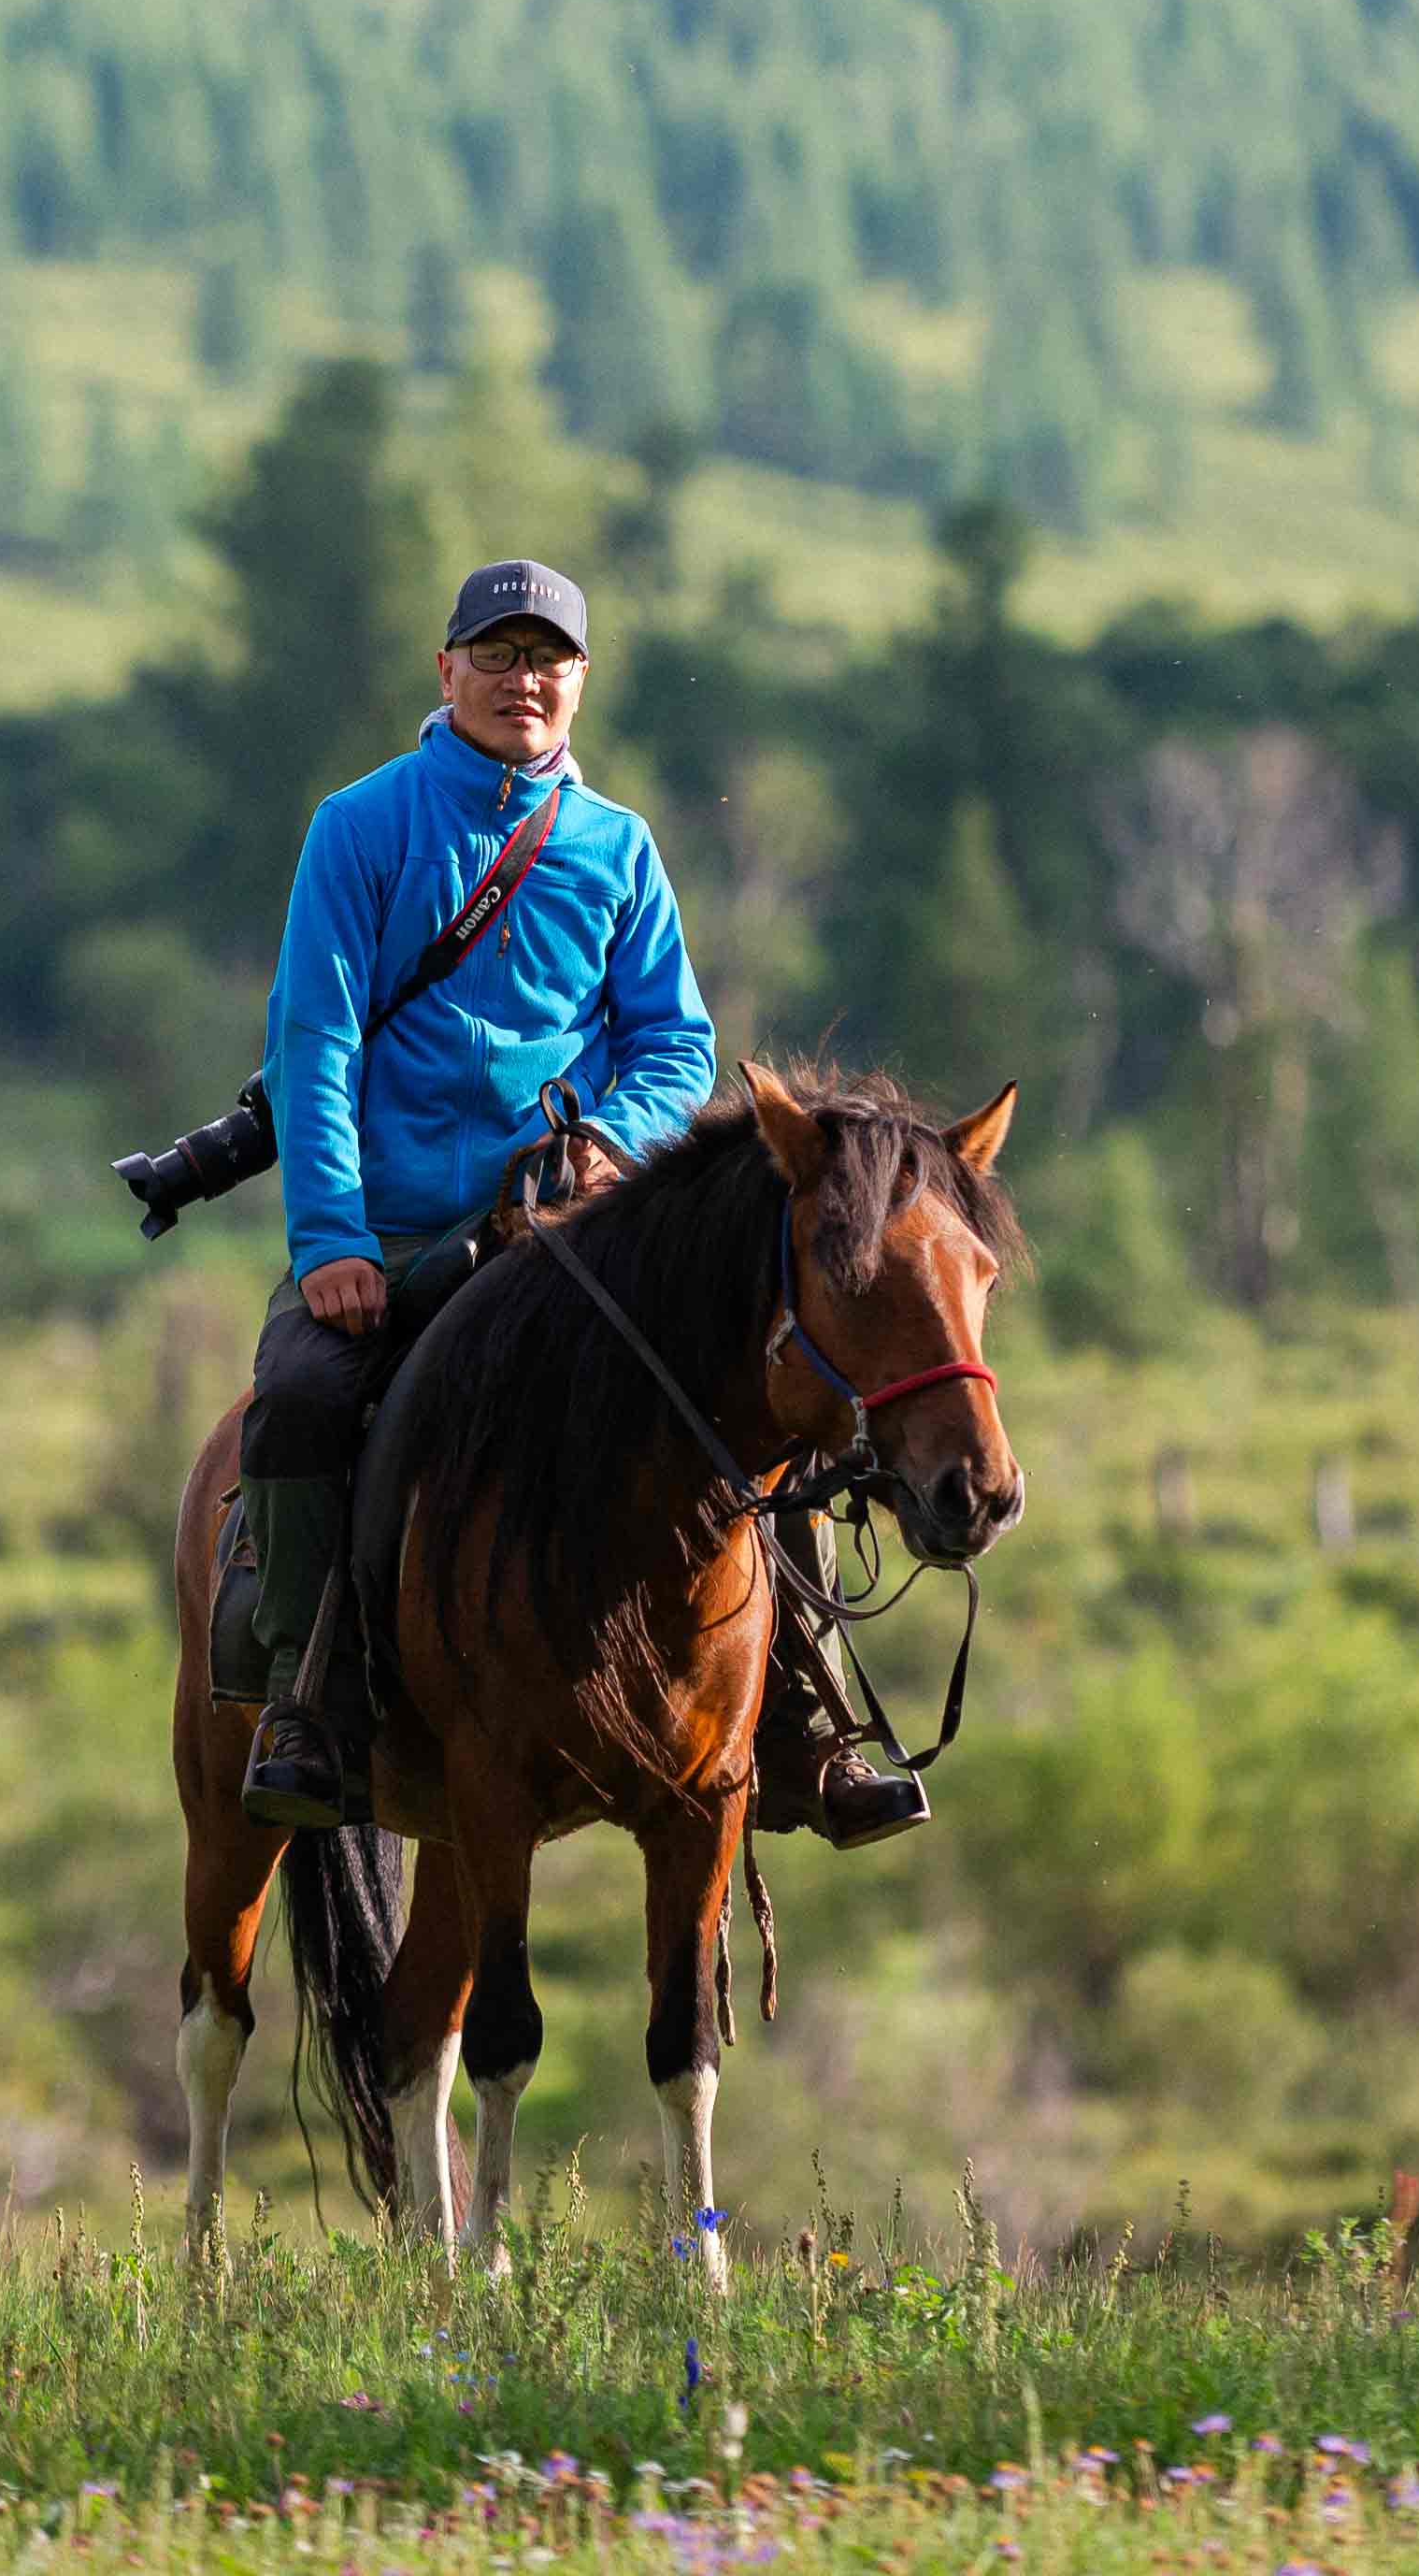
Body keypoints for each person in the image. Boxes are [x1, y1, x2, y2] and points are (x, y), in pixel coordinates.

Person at [233, 554, 928, 1849]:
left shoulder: (616, 848)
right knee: (298, 1406)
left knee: (773, 1409)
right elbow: (313, 1045)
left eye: (545, 658)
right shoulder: (359, 826)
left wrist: (611, 1139)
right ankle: (303, 1698)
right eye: (494, 656)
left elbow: (673, 1044)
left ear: (580, 684)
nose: (521, 680)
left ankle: (807, 1721)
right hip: (385, 1235)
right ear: (445, 674)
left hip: (569, 1240)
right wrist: (330, 1241)